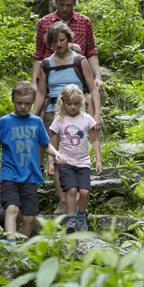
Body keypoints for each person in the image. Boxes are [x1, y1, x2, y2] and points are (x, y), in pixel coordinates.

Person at [34, 22, 101, 213]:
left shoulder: (80, 60)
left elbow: (93, 88)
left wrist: (96, 114)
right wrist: (32, 117)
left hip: (78, 111)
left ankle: (78, 202)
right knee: (57, 153)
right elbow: (40, 93)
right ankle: (62, 200)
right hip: (53, 111)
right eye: (54, 41)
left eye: (62, 40)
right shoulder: (46, 64)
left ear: (69, 39)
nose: (59, 44)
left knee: (77, 147)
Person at [0, 81, 67, 238]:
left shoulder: (36, 122)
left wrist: (56, 153)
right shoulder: (5, 121)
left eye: (27, 104)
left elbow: (45, 144)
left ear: (32, 103)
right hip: (9, 174)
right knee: (12, 209)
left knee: (29, 218)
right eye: (19, 103)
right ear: (13, 100)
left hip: (30, 175)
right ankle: (10, 246)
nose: (23, 107)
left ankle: (22, 247)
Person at [33, 0, 101, 107]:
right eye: (62, 4)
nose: (65, 9)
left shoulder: (84, 22)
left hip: (78, 79)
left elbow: (91, 52)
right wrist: (34, 82)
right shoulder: (44, 22)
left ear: (74, 3)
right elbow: (38, 55)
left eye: (69, 5)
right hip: (50, 79)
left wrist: (97, 76)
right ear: (56, 1)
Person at [48, 84, 102, 232]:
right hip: (65, 161)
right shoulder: (59, 120)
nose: (72, 107)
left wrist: (98, 160)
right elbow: (52, 142)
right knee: (71, 190)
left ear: (81, 103)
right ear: (63, 103)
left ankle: (81, 216)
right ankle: (70, 220)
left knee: (84, 192)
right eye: (69, 104)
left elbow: (94, 140)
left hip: (83, 162)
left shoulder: (86, 119)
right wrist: (51, 162)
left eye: (76, 104)